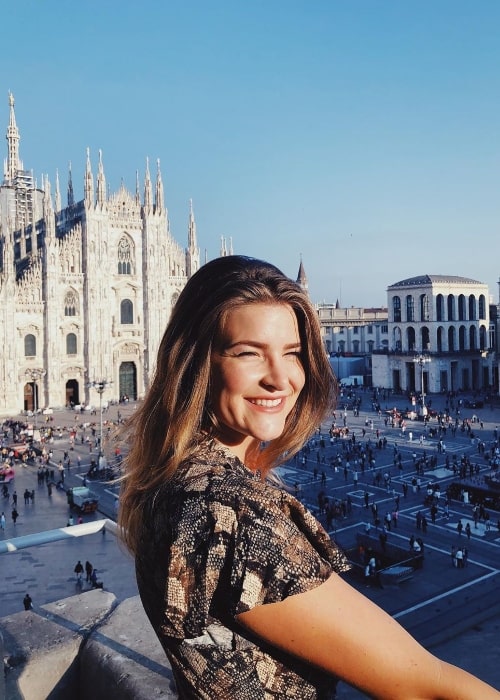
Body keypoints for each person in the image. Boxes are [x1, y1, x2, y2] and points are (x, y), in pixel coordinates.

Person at [118, 256, 500, 699]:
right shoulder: (230, 510)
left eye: (292, 353)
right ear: (196, 362)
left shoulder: (170, 478)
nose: (280, 378)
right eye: (248, 352)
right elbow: (422, 686)